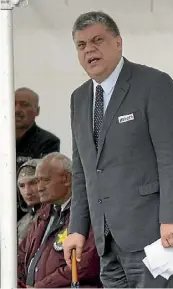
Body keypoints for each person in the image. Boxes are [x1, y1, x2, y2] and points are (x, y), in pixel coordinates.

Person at [63, 11, 173, 287]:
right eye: (82, 45)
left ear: (118, 43)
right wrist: (76, 229)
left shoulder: (153, 84)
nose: (90, 49)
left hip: (155, 234)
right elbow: (82, 171)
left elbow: (172, 159)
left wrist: (171, 219)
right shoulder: (80, 98)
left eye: (97, 40)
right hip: (107, 240)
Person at [17, 153, 100, 288]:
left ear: (66, 179)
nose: (40, 187)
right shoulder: (43, 214)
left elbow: (85, 263)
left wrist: (41, 287)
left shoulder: (87, 212)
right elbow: (21, 257)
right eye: (37, 181)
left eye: (45, 180)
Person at [15, 87, 60, 221]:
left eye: (24, 105)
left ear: (37, 111)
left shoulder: (48, 142)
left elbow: (45, 182)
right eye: (13, 104)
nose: (17, 109)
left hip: (34, 215)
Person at [17, 159, 42, 244]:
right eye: (21, 185)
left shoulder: (58, 217)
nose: (27, 192)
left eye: (33, 183)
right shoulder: (20, 224)